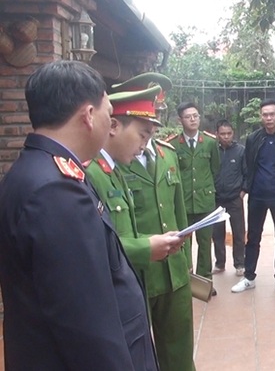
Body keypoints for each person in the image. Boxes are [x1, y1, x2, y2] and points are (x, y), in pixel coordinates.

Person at [0, 60, 157, 369]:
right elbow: (86, 322)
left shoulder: (35, 170)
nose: (109, 124)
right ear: (88, 116)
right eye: (108, 114)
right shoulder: (56, 191)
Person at [116, 73, 196, 371]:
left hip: (173, 271)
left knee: (179, 352)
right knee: (136, 352)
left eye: (157, 113)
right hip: (138, 272)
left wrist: (185, 259)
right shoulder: (113, 162)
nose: (155, 116)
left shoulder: (167, 154)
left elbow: (178, 213)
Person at [85, 85, 184, 277]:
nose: (144, 146)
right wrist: (146, 247)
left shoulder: (114, 170)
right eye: (142, 135)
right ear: (113, 126)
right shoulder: (92, 173)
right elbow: (94, 245)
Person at [231, 99, 275, 294]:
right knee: (253, 237)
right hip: (257, 196)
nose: (268, 118)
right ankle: (249, 276)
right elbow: (249, 166)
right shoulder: (253, 139)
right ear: (260, 116)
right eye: (265, 114)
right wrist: (248, 188)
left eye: (272, 114)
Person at [168, 102, 221, 278]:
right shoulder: (173, 144)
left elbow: (215, 169)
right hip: (183, 202)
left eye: (196, 116)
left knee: (205, 242)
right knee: (184, 242)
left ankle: (205, 279)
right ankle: (186, 278)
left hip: (205, 202)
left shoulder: (210, 142)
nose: (193, 119)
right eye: (188, 116)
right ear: (180, 120)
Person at [212, 119, 247, 277]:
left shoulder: (240, 151)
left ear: (233, 134)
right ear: (217, 134)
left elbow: (247, 172)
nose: (226, 137)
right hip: (216, 198)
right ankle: (220, 263)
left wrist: (243, 191)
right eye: (222, 134)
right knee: (217, 233)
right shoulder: (213, 150)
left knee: (238, 232)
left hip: (235, 198)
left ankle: (240, 263)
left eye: (229, 133)